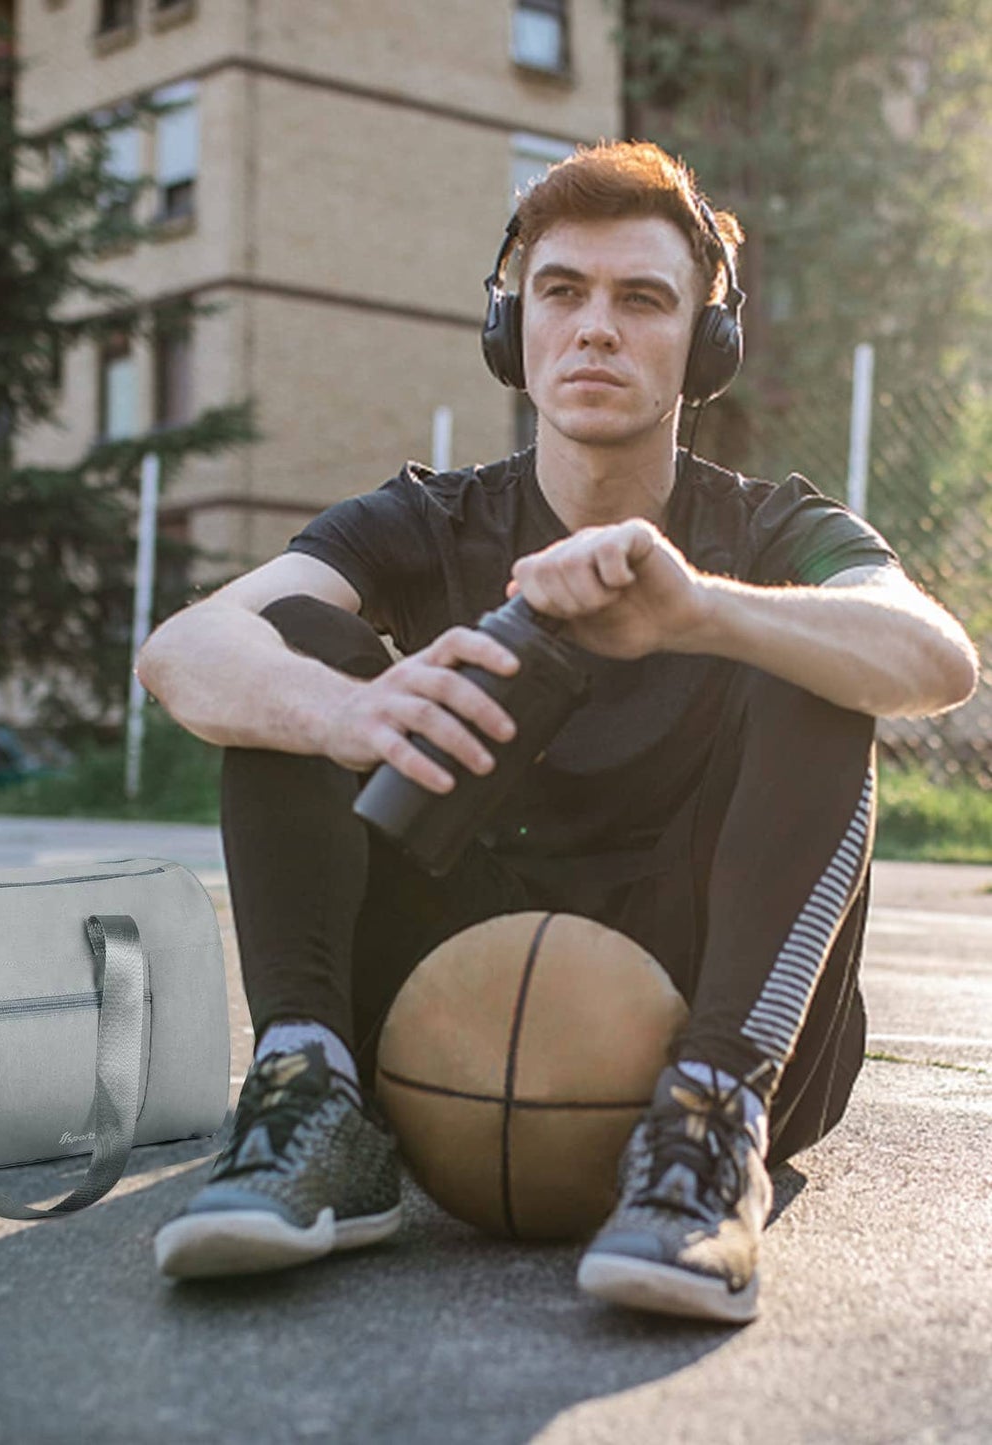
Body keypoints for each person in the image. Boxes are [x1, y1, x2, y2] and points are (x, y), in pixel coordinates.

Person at [133, 141, 977, 1322]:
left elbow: (936, 658)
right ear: (510, 327)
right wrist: (348, 709)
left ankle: (708, 1117)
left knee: (823, 654)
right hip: (446, 1031)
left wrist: (699, 609)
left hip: (722, 1011)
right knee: (290, 650)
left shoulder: (773, 526)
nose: (595, 329)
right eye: (560, 292)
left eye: (641, 299)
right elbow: (183, 649)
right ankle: (310, 1100)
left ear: (702, 344)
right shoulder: (423, 521)